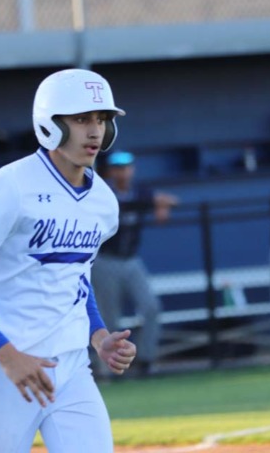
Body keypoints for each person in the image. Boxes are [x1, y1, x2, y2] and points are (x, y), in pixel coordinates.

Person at [0, 68, 137, 453]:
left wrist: (99, 336)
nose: (94, 131)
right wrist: (7, 355)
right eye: (81, 120)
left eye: (101, 120)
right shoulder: (10, 185)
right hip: (3, 371)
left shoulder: (104, 201)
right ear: (49, 124)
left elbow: (75, 278)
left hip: (72, 367)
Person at [91, 150, 178, 377]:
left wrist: (161, 206)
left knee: (151, 307)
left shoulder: (140, 192)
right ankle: (108, 369)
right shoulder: (104, 192)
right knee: (109, 316)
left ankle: (146, 360)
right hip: (106, 259)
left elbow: (169, 199)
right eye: (117, 168)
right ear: (110, 171)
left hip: (131, 260)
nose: (122, 172)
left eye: (126, 168)